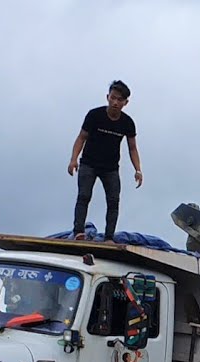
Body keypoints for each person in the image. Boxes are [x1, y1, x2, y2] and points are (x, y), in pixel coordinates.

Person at [68, 80, 143, 241]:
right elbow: (81, 137)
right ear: (108, 97)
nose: (115, 103)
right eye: (113, 98)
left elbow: (132, 148)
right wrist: (73, 159)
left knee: (113, 201)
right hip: (89, 163)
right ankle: (79, 232)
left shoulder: (127, 123)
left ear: (125, 103)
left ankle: (109, 237)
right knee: (84, 196)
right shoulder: (94, 115)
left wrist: (138, 170)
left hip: (110, 168)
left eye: (120, 100)